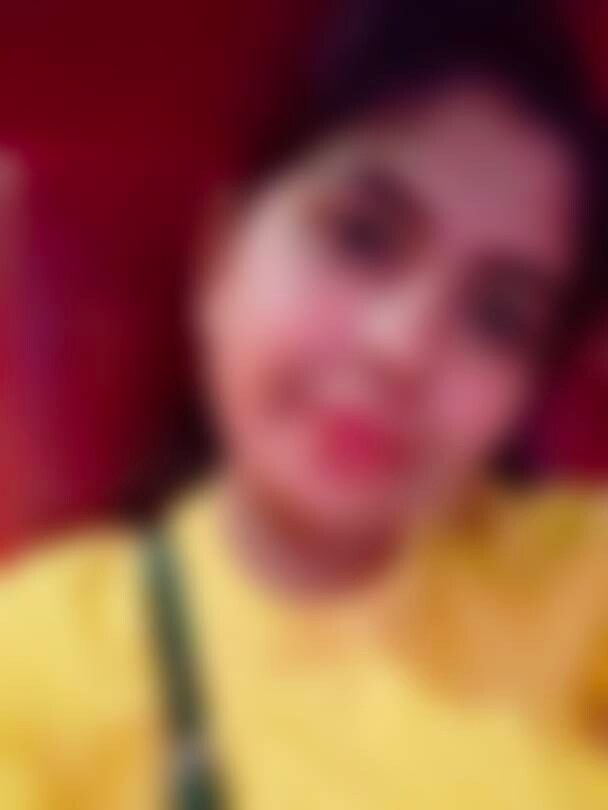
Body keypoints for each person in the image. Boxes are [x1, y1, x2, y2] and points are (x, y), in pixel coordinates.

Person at [1, 1, 607, 808]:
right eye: (361, 237)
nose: (401, 346)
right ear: (221, 257)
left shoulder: (578, 582)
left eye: (498, 317)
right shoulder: (40, 664)